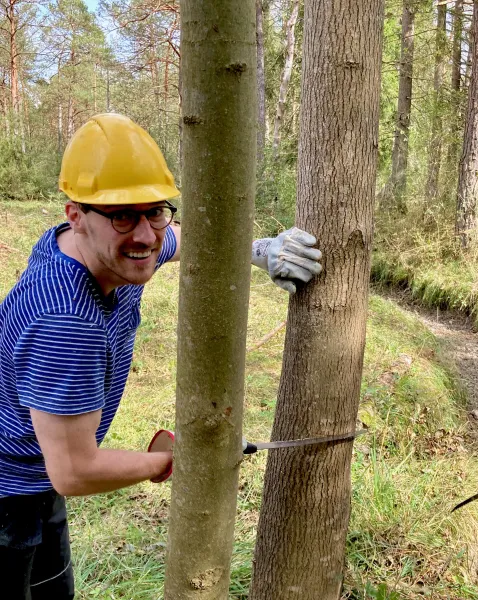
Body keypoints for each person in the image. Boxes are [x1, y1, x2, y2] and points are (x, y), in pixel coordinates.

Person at [0, 113, 323, 599]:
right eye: (124, 216)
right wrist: (177, 461)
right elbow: (73, 471)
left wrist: (261, 250)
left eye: (155, 211)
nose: (147, 235)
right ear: (75, 216)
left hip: (34, 474)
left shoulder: (110, 248)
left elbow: (179, 239)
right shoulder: (66, 320)